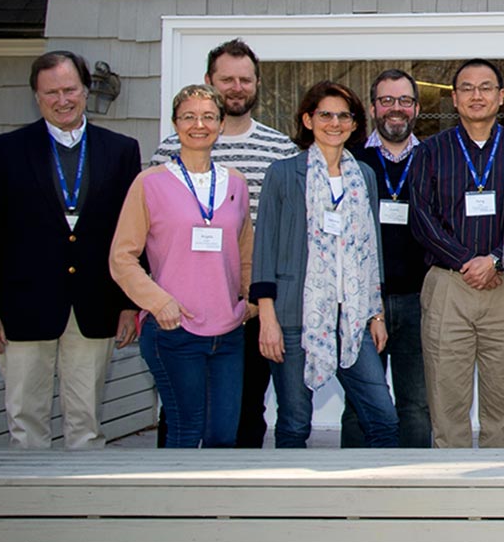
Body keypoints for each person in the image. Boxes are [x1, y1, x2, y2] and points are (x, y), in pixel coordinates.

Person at [0, 51, 143, 449]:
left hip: (94, 306)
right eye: (51, 93)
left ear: (84, 90)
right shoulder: (3, 151)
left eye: (70, 90)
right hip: (21, 308)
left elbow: (131, 234)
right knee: (26, 419)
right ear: (36, 96)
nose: (62, 100)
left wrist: (129, 304)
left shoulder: (121, 150)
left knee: (87, 421)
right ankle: (29, 505)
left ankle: (82, 506)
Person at [149, 39, 299, 447]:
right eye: (226, 79)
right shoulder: (168, 151)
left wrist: (259, 298)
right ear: (208, 81)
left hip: (249, 304)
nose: (236, 87)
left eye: (244, 79)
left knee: (247, 408)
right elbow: (151, 231)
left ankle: (238, 495)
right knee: (178, 410)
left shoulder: (280, 149)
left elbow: (289, 230)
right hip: (182, 304)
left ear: (257, 85)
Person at [251, 82, 398, 449]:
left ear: (353, 124)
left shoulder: (363, 176)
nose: (334, 123)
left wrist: (375, 315)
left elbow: (371, 249)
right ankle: (292, 504)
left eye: (343, 115)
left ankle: (380, 501)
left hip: (352, 318)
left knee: (383, 417)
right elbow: (264, 249)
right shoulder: (283, 174)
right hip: (293, 318)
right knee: (294, 423)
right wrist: (266, 319)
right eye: (325, 114)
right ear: (308, 119)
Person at [108, 84, 251, 448]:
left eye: (207, 116)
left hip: (228, 332)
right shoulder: (150, 183)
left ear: (220, 124)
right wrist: (158, 302)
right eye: (188, 116)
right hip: (175, 329)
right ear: (175, 124)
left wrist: (249, 301)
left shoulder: (235, 183)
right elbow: (122, 257)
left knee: (222, 436)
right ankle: (178, 507)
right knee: (186, 432)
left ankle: (216, 506)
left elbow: (245, 250)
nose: (198, 124)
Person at [410, 58, 504, 448]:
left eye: (485, 88)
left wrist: (495, 259)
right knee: (447, 401)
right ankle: (451, 494)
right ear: (454, 98)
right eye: (466, 88)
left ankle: (499, 494)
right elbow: (421, 217)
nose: (476, 95)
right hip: (449, 285)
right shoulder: (430, 150)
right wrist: (467, 261)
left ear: (501, 97)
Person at [341, 69, 432, 448]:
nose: (396, 109)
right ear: (374, 106)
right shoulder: (350, 159)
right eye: (387, 100)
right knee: (360, 402)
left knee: (416, 404)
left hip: (419, 298)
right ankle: (353, 490)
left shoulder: (433, 156)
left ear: (416, 107)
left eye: (405, 101)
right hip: (362, 302)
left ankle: (413, 489)